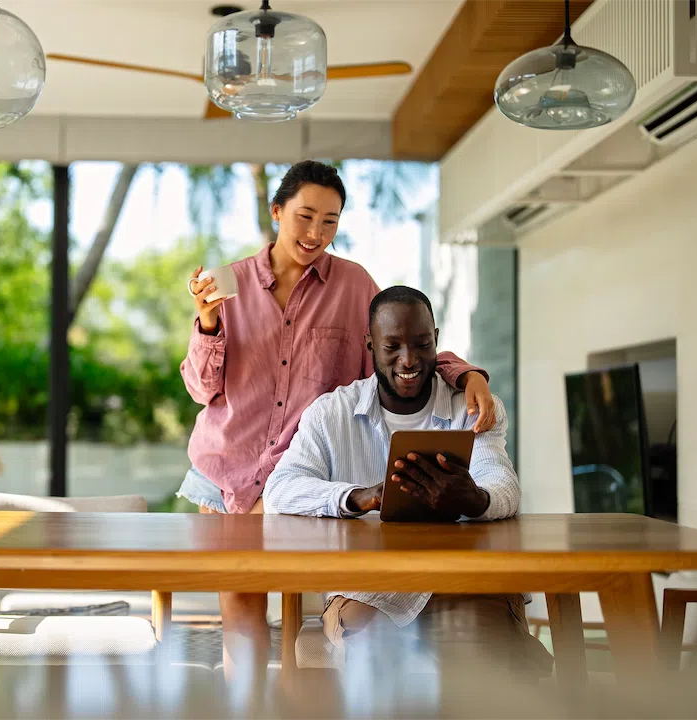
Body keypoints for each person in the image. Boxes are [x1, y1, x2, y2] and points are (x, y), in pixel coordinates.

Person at [178, 160, 497, 681]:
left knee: (301, 593)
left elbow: (400, 347)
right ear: (276, 211)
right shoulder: (229, 283)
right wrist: (208, 320)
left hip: (296, 473)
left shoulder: (354, 286)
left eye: (330, 221)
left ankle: (299, 702)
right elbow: (200, 389)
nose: (315, 233)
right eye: (304, 216)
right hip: (225, 471)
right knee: (241, 603)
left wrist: (465, 374)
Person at [262, 285, 550, 677]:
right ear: (370, 344)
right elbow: (280, 490)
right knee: (377, 658)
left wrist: (475, 499)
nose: (408, 359)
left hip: (462, 582)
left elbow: (505, 487)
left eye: (421, 344)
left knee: (478, 659)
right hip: (367, 590)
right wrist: (358, 496)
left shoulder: (472, 409)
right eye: (392, 346)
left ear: (437, 340)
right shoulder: (331, 414)